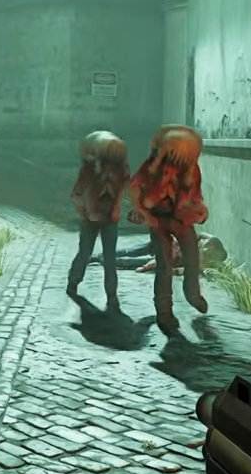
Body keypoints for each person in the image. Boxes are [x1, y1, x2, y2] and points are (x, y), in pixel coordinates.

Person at [129, 125, 209, 334]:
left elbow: (194, 196)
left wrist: (199, 209)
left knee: (192, 257)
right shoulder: (152, 168)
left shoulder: (192, 170)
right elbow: (135, 189)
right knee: (164, 266)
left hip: (182, 220)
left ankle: (192, 293)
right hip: (158, 221)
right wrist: (144, 214)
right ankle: (164, 313)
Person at [68, 130, 132, 310]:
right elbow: (76, 195)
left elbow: (76, 195)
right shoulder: (92, 170)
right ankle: (78, 283)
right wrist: (86, 212)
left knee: (98, 255)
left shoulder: (115, 170)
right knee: (94, 254)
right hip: (97, 219)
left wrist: (85, 211)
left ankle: (106, 293)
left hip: (104, 218)